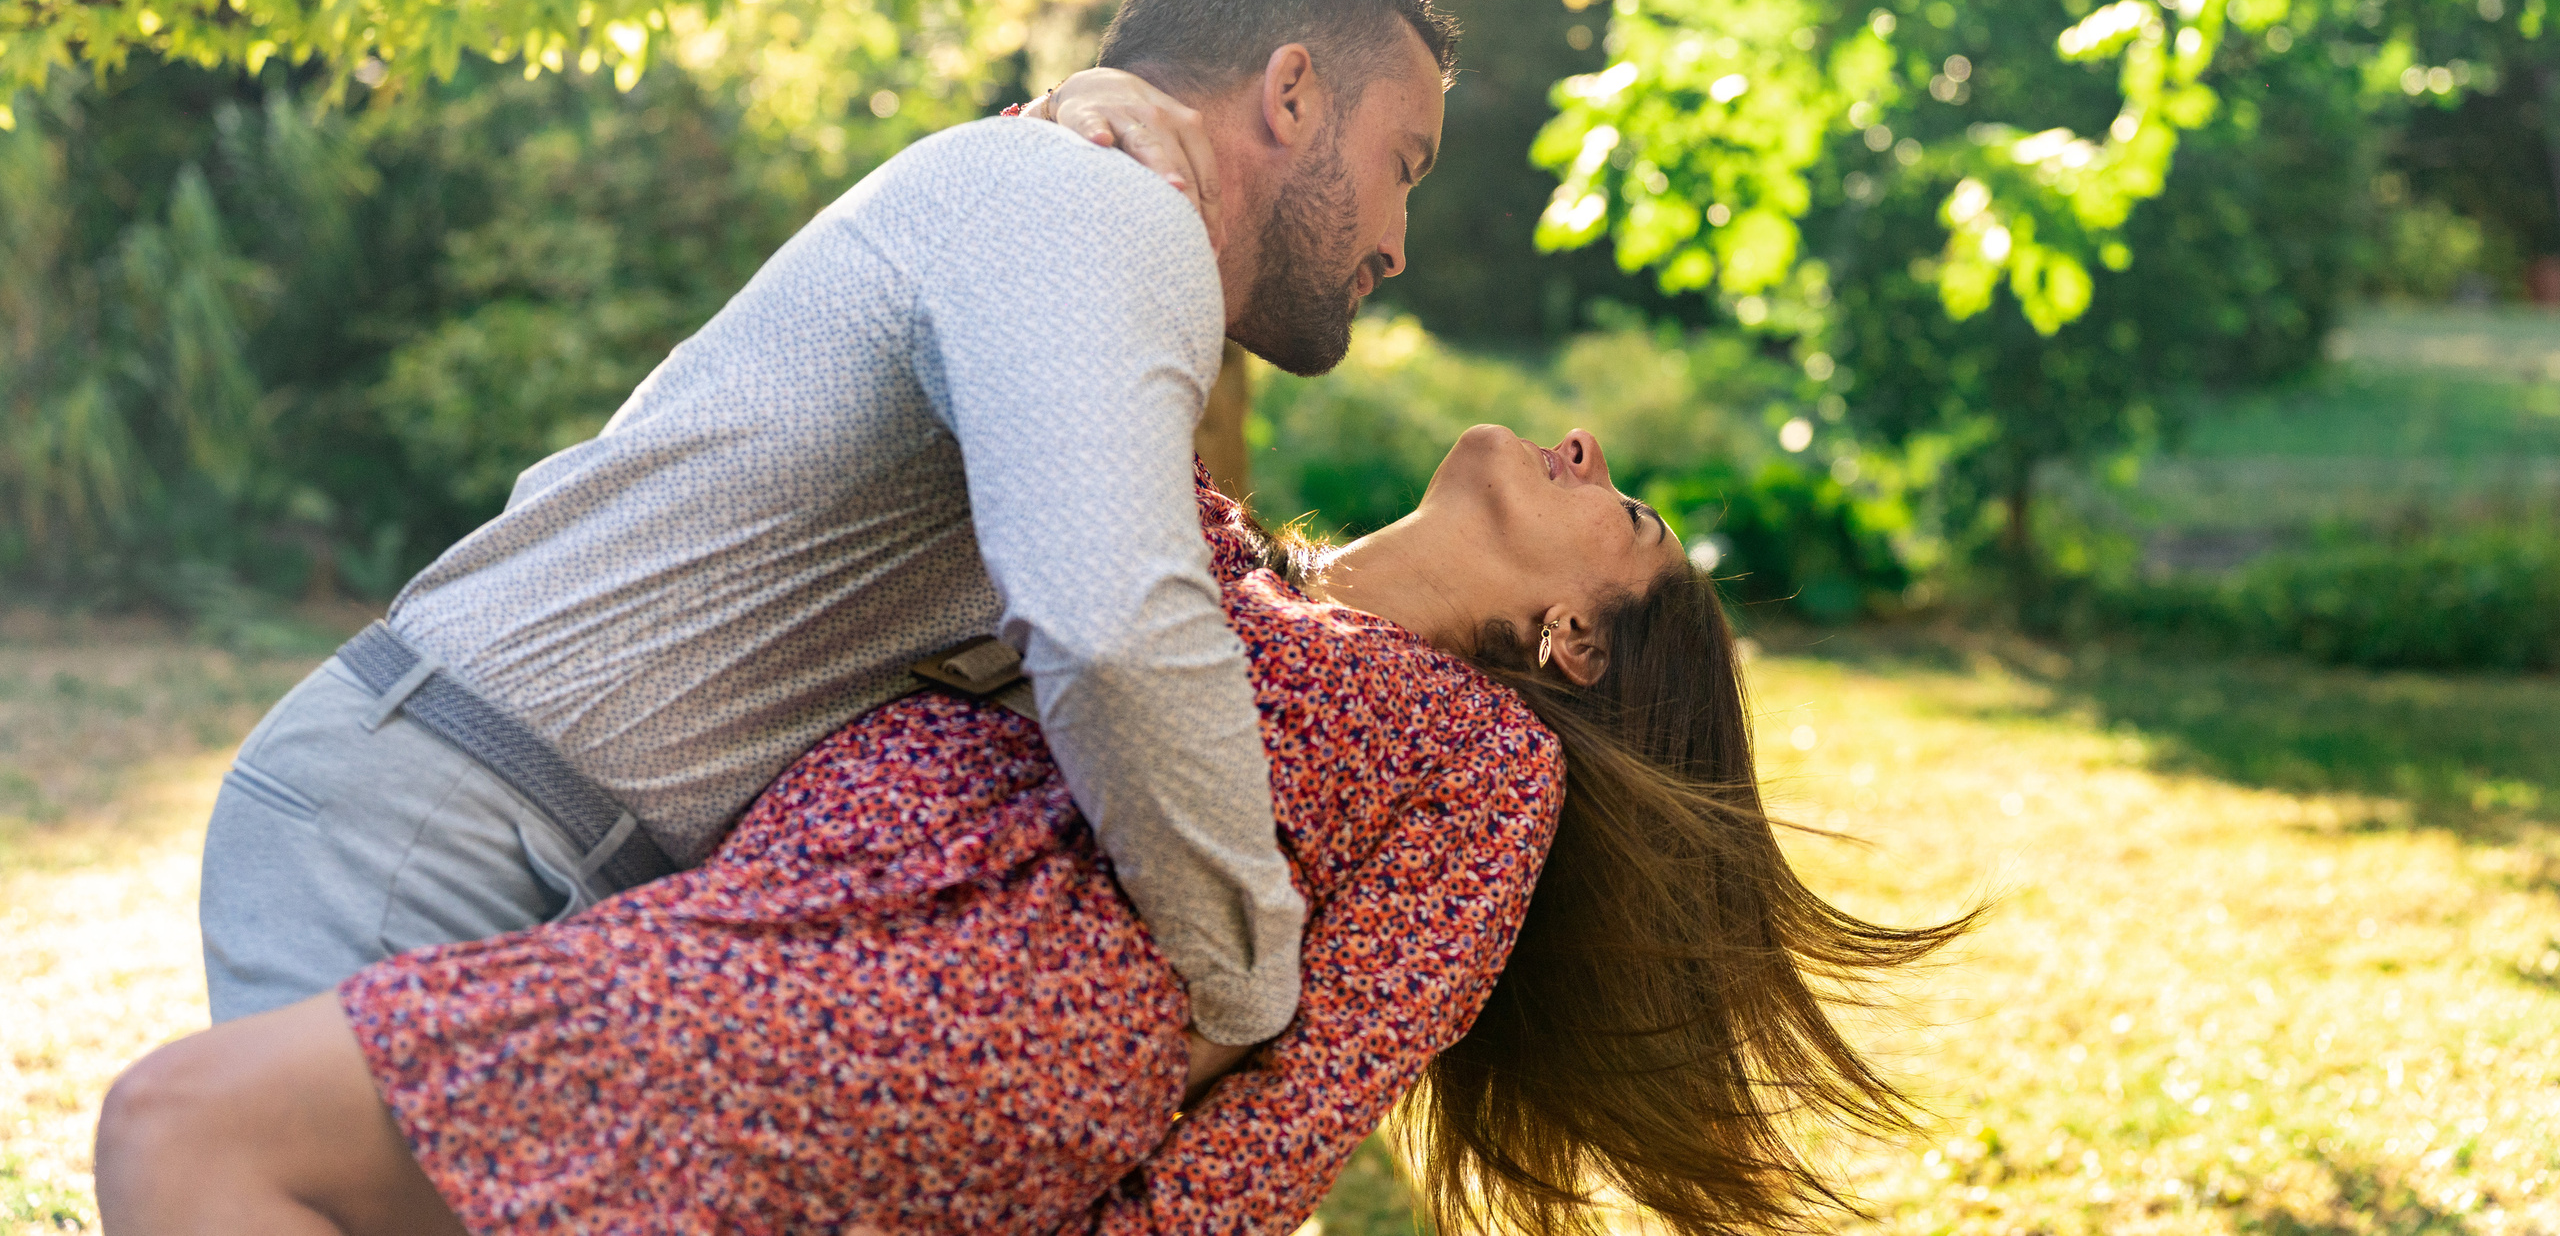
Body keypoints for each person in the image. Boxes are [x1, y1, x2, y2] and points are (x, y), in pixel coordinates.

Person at [99, 425, 1968, 1236]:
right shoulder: (1221, 571)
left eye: (1620, 514)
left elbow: (1306, 1098)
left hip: (917, 1014)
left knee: (188, 1125)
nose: (1586, 454)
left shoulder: (1491, 765)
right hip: (800, 945)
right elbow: (1070, 371)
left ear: (1576, 642)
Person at [192, 0, 1458, 1086]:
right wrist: (1252, 985)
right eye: (1403, 165)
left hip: (511, 837)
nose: (1402, 244)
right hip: (440, 827)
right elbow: (1115, 627)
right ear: (1291, 92)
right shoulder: (1094, 202)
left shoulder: (1062, 194)